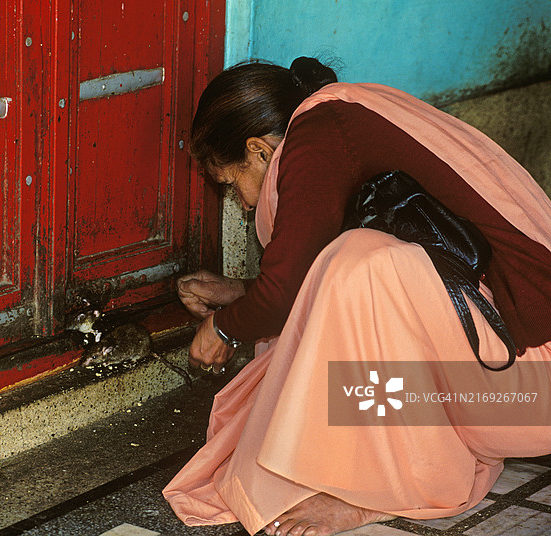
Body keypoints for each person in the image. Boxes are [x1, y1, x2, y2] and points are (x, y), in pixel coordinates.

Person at [162, 57, 551, 536]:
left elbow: (290, 292)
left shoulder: (321, 133)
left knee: (363, 261)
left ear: (260, 151)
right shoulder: (345, 113)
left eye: (232, 183)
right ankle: (380, 460)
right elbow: (310, 281)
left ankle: (376, 487)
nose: (243, 204)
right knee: (356, 265)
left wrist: (223, 327)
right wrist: (240, 292)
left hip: (531, 391)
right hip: (521, 386)